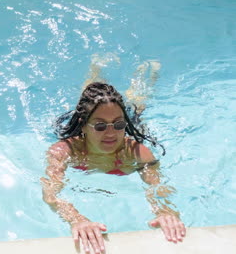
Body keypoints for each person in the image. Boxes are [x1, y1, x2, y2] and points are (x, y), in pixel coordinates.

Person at [41, 56, 186, 254]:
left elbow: (157, 187)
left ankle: (148, 72)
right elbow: (51, 193)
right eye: (100, 126)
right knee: (93, 99)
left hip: (119, 119)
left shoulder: (137, 153)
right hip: (85, 124)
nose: (111, 133)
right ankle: (96, 67)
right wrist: (77, 219)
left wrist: (165, 211)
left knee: (137, 106)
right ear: (84, 125)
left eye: (119, 125)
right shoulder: (65, 151)